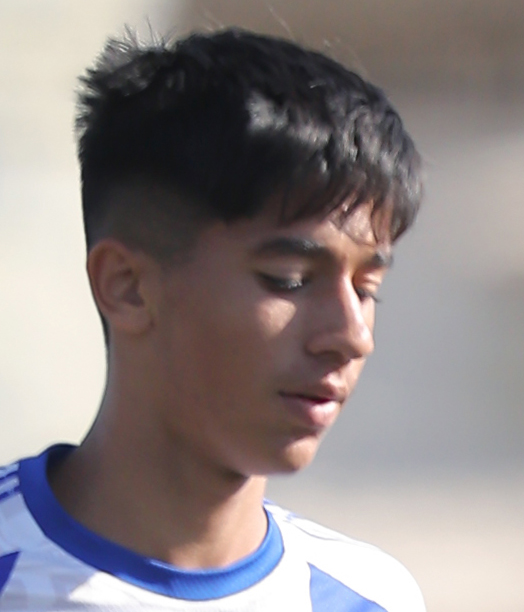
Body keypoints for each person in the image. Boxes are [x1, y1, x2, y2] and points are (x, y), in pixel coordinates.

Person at [0, 28, 425, 611]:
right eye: (289, 278)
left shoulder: (369, 596)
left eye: (367, 288)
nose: (352, 336)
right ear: (128, 287)